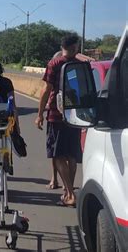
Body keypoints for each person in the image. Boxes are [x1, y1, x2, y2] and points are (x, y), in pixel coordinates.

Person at [36, 34, 83, 207]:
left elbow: (46, 90)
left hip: (56, 115)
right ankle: (68, 190)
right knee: (71, 155)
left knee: (57, 155)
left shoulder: (54, 64)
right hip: (75, 115)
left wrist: (40, 114)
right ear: (74, 47)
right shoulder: (80, 64)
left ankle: (70, 194)